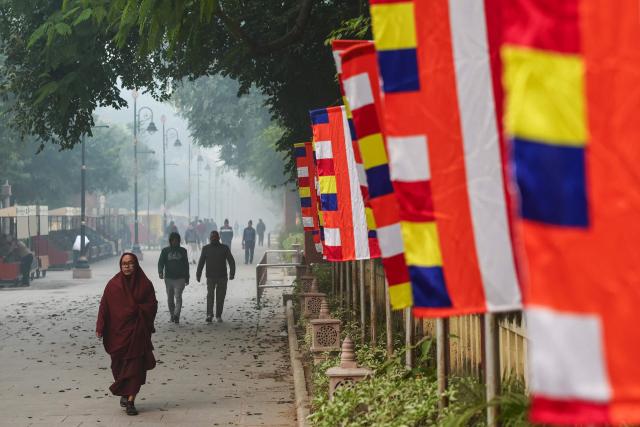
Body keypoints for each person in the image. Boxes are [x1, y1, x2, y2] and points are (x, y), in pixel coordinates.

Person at [96, 253, 157, 416]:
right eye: (124, 264)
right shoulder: (113, 285)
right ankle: (124, 391)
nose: (127, 266)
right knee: (119, 367)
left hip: (137, 333)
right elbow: (104, 306)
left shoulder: (144, 284)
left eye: (130, 263)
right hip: (117, 334)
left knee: (135, 367)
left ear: (136, 264)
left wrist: (139, 311)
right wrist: (100, 327)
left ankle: (131, 400)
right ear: (120, 266)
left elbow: (152, 304)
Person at [196, 231, 235, 323]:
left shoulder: (224, 248)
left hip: (222, 276)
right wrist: (198, 274)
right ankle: (209, 314)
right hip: (210, 277)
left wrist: (232, 273)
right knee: (210, 296)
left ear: (219, 238)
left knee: (220, 297)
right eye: (212, 237)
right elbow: (201, 262)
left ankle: (218, 315)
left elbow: (231, 261)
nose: (213, 238)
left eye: (215, 237)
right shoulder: (206, 249)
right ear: (210, 238)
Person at [157, 232, 189, 324]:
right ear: (170, 241)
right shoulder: (165, 251)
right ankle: (172, 315)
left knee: (178, 296)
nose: (175, 242)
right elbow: (160, 263)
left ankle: (176, 315)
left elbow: (186, 265)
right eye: (173, 240)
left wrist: (187, 278)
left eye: (177, 240)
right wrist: (160, 272)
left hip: (180, 278)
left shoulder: (183, 251)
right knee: (170, 299)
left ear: (179, 241)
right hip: (168, 278)